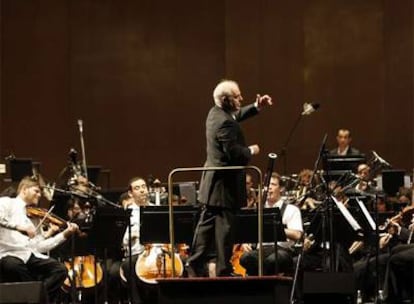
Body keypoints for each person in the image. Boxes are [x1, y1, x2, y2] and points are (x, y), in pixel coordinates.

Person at [185, 79, 272, 277]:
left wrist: (256, 107)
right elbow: (234, 154)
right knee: (225, 227)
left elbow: (235, 117)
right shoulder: (224, 122)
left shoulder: (215, 113)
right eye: (237, 96)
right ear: (226, 99)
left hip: (214, 182)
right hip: (224, 184)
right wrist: (251, 150)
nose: (241, 98)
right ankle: (223, 269)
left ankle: (194, 263)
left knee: (206, 224)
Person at [0, 176, 78, 302]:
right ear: (24, 189)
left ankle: (37, 298)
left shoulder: (32, 219)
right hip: (8, 254)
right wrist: (18, 227)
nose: (39, 195)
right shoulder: (7, 202)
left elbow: (39, 247)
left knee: (60, 270)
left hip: (28, 255)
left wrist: (64, 234)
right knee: (13, 265)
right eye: (36, 191)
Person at [239, 173, 303, 275]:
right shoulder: (258, 209)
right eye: (266, 185)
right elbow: (250, 232)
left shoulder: (292, 209)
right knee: (245, 258)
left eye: (273, 184)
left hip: (282, 250)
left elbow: (298, 235)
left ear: (281, 189)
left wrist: (276, 228)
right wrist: (245, 242)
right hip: (261, 251)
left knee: (272, 260)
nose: (268, 188)